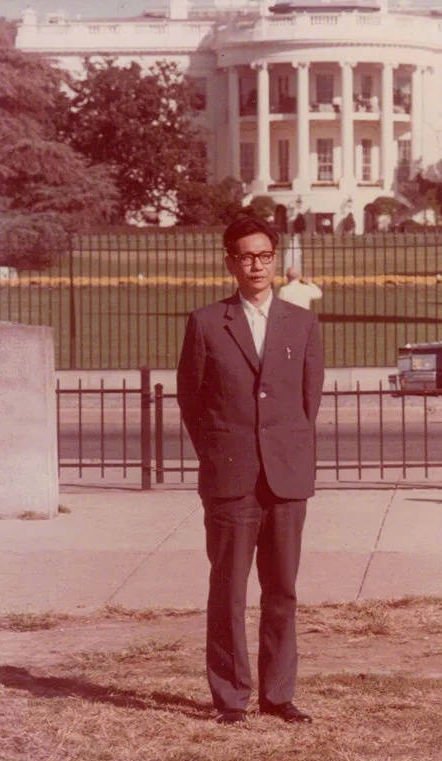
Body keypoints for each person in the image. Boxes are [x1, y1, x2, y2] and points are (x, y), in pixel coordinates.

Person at [177, 216, 324, 726]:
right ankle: (231, 697)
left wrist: (287, 454)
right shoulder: (204, 322)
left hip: (286, 479)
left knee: (282, 590)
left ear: (276, 260)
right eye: (245, 256)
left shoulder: (301, 323)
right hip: (231, 480)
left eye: (264, 255)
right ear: (229, 262)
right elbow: (192, 402)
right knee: (229, 590)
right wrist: (221, 456)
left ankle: (279, 694)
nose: (255, 265)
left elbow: (309, 403)